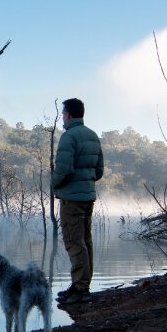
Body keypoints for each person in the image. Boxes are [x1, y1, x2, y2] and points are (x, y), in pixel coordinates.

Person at [52, 98, 104, 305]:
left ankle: (81, 289)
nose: (63, 117)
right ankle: (80, 285)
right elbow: (98, 171)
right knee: (85, 241)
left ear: (68, 115)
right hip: (87, 197)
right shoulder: (92, 135)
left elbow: (63, 170)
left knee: (74, 242)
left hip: (72, 199)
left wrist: (55, 184)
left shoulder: (68, 137)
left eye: (63, 113)